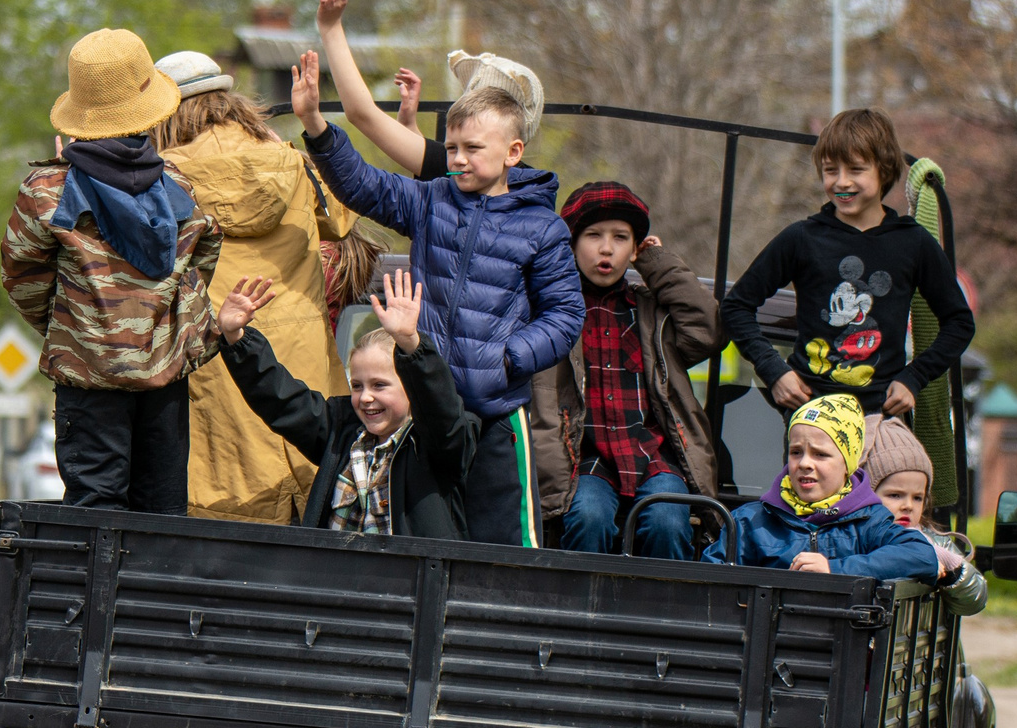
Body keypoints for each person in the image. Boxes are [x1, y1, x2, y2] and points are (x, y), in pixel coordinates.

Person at [288, 39, 582, 547]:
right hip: (427, 414)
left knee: (504, 552)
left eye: (473, 149)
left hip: (495, 419)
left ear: (514, 152)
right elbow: (361, 184)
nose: (459, 160)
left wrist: (508, 358)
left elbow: (565, 315)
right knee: (425, 546)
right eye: (451, 149)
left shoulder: (543, 228)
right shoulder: (430, 201)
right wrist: (315, 125)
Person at [1, 29, 222, 513]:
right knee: (161, 515)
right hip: (165, 381)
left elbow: (22, 277)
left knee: (95, 515)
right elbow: (203, 262)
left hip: (87, 383)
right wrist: (164, 328)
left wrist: (71, 326)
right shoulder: (180, 189)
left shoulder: (47, 191)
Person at [152, 49, 358, 523]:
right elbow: (344, 219)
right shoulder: (292, 165)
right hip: (304, 375)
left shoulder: (158, 179)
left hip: (219, 371)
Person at [719, 107, 976, 419]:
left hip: (882, 416)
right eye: (830, 171)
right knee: (825, 465)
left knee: (909, 470)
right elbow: (735, 307)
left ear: (884, 169)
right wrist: (774, 371)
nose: (841, 182)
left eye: (855, 170)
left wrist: (914, 378)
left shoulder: (914, 243)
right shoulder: (801, 238)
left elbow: (959, 323)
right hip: (814, 413)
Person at [526, 181, 724, 559]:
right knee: (589, 516)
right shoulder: (553, 311)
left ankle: (660, 614)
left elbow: (708, 329)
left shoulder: (651, 312)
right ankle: (580, 613)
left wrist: (657, 263)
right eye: (593, 235)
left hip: (652, 454)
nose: (606, 248)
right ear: (570, 244)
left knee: (668, 520)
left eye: (621, 238)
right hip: (583, 459)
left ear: (635, 248)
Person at [212, 268, 480, 539]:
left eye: (379, 385)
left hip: (409, 578)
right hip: (337, 577)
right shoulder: (340, 430)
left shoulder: (435, 446)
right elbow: (281, 399)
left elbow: (441, 412)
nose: (365, 397)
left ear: (412, 388)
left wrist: (411, 345)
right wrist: (237, 339)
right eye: (357, 386)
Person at [312, 0, 545, 179]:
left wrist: (331, 29)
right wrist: (410, 127)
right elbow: (429, 162)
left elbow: (362, 114)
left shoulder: (458, 170)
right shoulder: (531, 187)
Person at [704, 393, 943, 579]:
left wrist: (834, 569)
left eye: (820, 454)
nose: (805, 463)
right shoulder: (749, 521)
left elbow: (922, 556)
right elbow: (710, 581)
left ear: (847, 464)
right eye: (796, 452)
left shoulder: (869, 520)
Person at [862, 416, 988, 613]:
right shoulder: (856, 537)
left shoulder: (934, 543)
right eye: (895, 495)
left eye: (918, 498)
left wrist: (952, 572)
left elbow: (975, 599)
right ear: (865, 495)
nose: (908, 506)